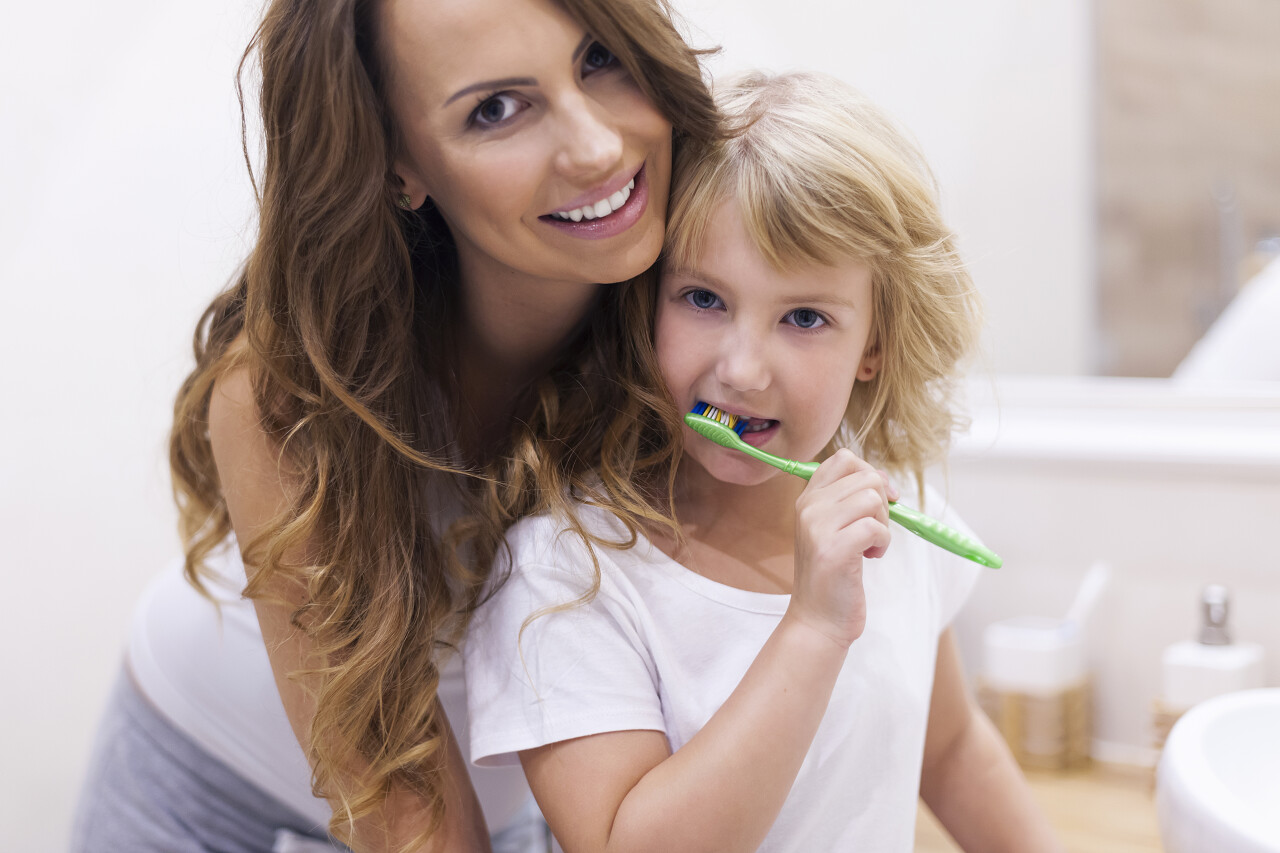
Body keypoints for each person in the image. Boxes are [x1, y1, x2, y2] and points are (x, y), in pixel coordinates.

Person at [70, 0, 719, 851]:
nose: (597, 148)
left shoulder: (729, 325)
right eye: (496, 108)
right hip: (202, 797)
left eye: (601, 58)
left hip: (508, 812)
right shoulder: (287, 393)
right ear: (396, 162)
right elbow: (401, 811)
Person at [464, 71, 1064, 852]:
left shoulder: (889, 518)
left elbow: (950, 752)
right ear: (646, 304)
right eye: (703, 299)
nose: (743, 370)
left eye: (804, 317)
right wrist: (811, 627)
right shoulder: (566, 573)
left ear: (874, 345)